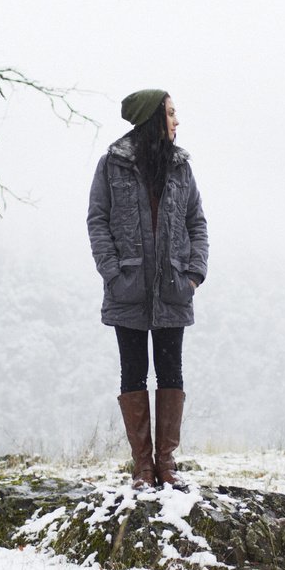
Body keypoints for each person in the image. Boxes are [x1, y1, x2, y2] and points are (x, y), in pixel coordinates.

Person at [87, 90, 209, 489]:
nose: (177, 121)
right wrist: (112, 273)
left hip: (174, 287)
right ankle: (142, 467)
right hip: (129, 290)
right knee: (133, 372)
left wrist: (194, 274)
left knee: (171, 371)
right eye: (171, 113)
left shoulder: (181, 168)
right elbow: (98, 221)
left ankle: (166, 464)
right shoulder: (112, 165)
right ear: (152, 118)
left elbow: (197, 222)